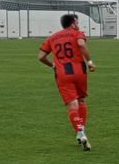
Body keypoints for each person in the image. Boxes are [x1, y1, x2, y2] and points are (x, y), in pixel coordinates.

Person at [38, 14, 95, 151]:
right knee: (81, 101)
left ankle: (81, 133)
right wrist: (90, 62)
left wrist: (52, 65)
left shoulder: (53, 37)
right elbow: (81, 44)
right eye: (77, 22)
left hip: (63, 74)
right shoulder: (77, 33)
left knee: (72, 104)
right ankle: (80, 131)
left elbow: (41, 56)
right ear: (73, 23)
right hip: (80, 72)